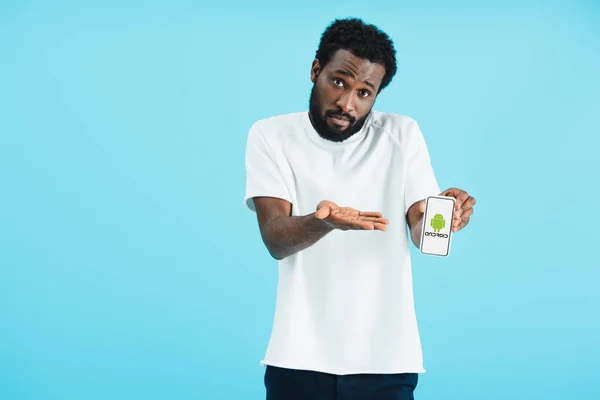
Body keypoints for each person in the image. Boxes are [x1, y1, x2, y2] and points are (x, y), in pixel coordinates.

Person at [243, 17, 476, 400]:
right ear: (316, 70)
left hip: (386, 360)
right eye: (339, 81)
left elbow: (424, 234)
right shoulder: (271, 135)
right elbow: (275, 239)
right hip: (298, 357)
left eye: (365, 92)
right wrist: (325, 222)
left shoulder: (402, 134)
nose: (347, 103)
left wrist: (445, 219)